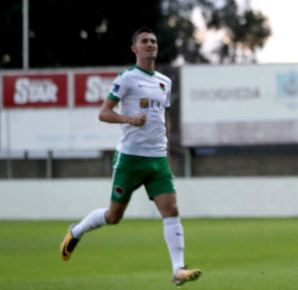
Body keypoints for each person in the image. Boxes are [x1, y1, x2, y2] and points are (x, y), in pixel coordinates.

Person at [60, 27, 201, 286]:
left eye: (153, 41)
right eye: (145, 41)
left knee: (171, 210)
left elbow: (163, 118)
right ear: (135, 49)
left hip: (157, 159)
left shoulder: (164, 81)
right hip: (130, 158)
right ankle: (76, 231)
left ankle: (178, 269)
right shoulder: (127, 78)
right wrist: (129, 119)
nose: (150, 45)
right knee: (114, 217)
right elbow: (103, 112)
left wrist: (166, 154)